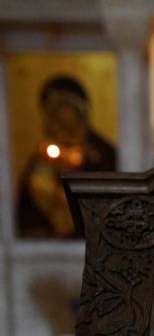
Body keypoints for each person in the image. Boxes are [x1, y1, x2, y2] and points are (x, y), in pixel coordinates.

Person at [18, 75, 116, 237]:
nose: (54, 114)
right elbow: (27, 218)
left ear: (79, 109)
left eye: (61, 105)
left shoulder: (103, 155)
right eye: (49, 109)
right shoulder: (41, 159)